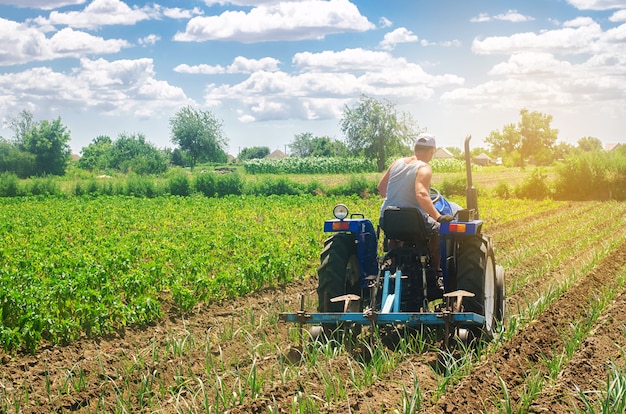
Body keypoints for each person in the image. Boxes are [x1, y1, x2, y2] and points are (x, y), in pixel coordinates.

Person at [377, 133, 454, 270]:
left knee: (394, 234)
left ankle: (394, 264)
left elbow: (381, 188)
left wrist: (399, 199)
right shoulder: (424, 167)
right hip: (414, 221)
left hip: (387, 218)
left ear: (415, 149)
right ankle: (435, 271)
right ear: (432, 151)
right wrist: (438, 217)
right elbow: (422, 194)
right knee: (438, 230)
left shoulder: (397, 163)